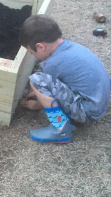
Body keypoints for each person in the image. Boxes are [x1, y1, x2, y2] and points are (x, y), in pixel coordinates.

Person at [19, 15, 110, 143]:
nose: (33, 55)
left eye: (31, 52)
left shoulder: (53, 63)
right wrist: (36, 93)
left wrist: (35, 105)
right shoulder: (71, 47)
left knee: (36, 80)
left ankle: (60, 130)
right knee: (41, 83)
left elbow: (46, 86)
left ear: (40, 46)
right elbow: (59, 83)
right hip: (99, 104)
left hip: (87, 113)